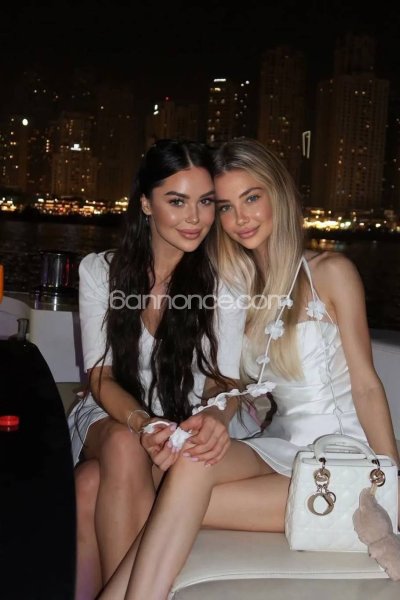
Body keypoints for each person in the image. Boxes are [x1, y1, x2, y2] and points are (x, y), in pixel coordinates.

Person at [96, 138, 399, 600]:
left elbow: (367, 386)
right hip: (280, 447)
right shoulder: (238, 286)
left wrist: (391, 481)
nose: (241, 218)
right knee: (192, 459)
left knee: (171, 497)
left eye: (252, 198)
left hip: (341, 460)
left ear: (278, 194)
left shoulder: (331, 271)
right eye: (225, 207)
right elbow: (227, 379)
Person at [69, 138, 248, 599]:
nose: (195, 218)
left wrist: (216, 415)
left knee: (88, 487)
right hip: (111, 413)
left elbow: (225, 380)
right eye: (177, 201)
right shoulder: (100, 272)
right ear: (146, 204)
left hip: (181, 421)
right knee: (124, 445)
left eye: (205, 202)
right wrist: (143, 423)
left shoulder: (226, 282)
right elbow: (101, 376)